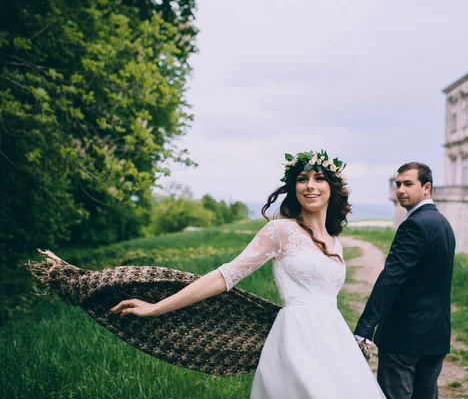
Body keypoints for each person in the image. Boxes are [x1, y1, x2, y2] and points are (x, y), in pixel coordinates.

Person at [111, 150, 385, 398]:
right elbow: (224, 276)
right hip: (296, 340)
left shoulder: (335, 240)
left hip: (334, 341)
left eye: (319, 178)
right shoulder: (280, 231)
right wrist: (157, 307)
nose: (310, 186)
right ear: (294, 187)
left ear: (332, 188)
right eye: (302, 179)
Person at [354, 162, 456, 399]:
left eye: (408, 184)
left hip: (404, 337)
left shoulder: (413, 225)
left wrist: (365, 328)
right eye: (398, 184)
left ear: (426, 187)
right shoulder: (444, 224)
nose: (400, 189)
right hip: (436, 335)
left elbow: (392, 278)